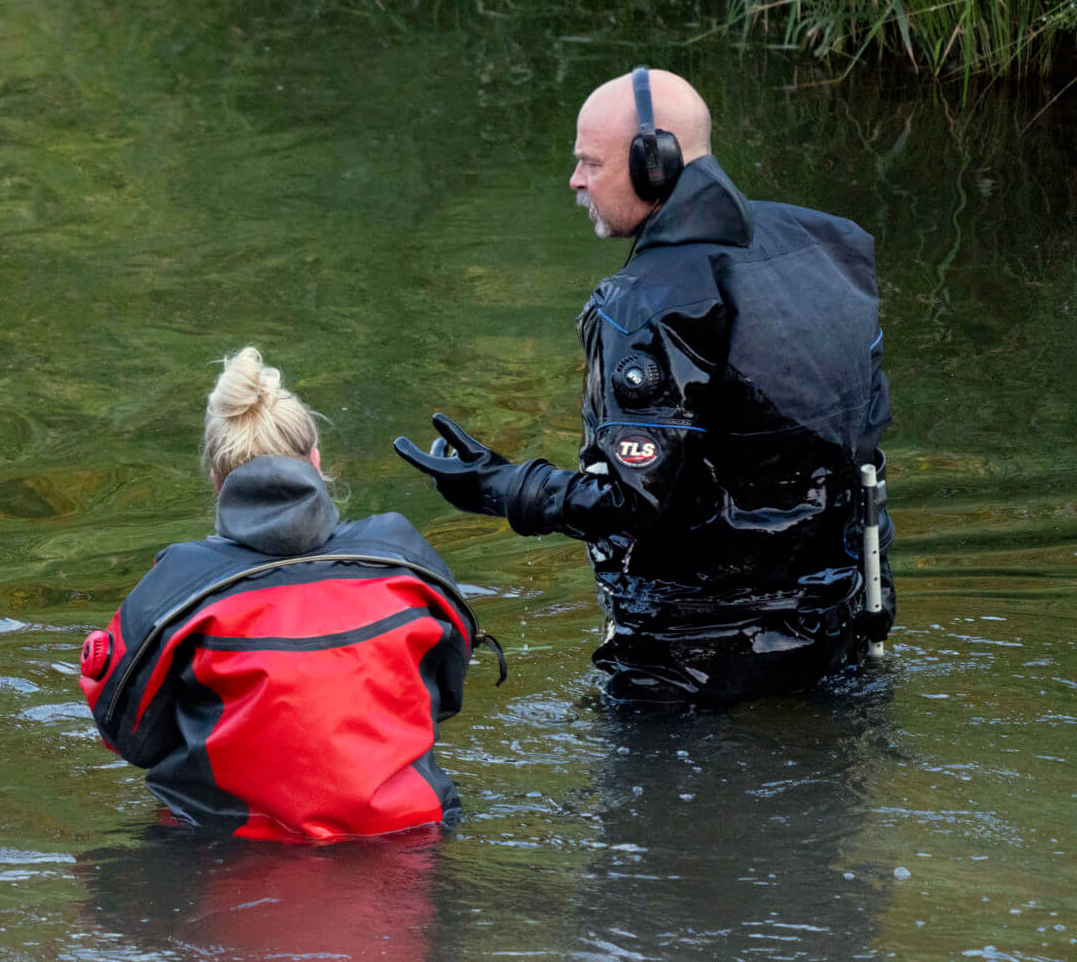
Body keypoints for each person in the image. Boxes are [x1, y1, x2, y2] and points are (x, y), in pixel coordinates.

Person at [396, 67, 895, 703]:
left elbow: (641, 507)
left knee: (645, 806)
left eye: (589, 164)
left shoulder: (643, 304)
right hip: (840, 627)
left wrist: (502, 487)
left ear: (651, 164)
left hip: (689, 662)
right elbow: (863, 438)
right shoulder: (828, 245)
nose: (575, 181)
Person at [80, 347, 493, 843]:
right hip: (409, 835)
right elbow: (447, 692)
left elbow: (126, 733)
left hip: (229, 850)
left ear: (216, 482)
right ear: (316, 462)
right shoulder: (403, 554)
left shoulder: (179, 583)